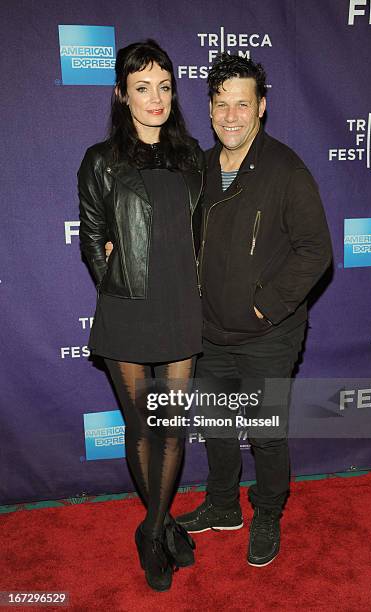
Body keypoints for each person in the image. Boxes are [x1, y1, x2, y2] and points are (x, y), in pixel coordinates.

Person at [175, 53, 333, 567]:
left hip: (268, 335)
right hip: (211, 331)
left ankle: (266, 511)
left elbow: (316, 250)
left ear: (261, 107)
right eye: (222, 104)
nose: (232, 115)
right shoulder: (198, 167)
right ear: (210, 108)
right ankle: (223, 504)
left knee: (266, 434)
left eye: (244, 104)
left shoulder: (286, 169)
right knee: (217, 427)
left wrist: (265, 305)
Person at [78, 39, 205, 592]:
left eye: (164, 86)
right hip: (128, 311)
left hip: (180, 308)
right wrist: (117, 274)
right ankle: (158, 530)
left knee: (172, 430)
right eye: (142, 88)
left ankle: (152, 527)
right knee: (143, 428)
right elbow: (91, 242)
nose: (155, 99)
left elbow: (202, 234)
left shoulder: (192, 156)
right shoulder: (101, 161)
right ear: (121, 95)